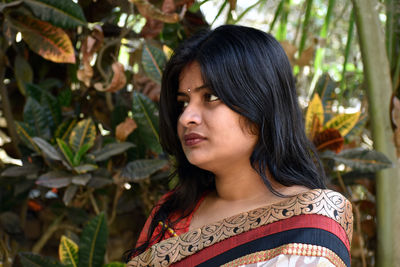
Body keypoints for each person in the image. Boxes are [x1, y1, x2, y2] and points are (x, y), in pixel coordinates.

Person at [126, 25, 353, 267]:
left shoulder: (310, 222)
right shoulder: (171, 215)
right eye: (183, 103)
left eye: (210, 97)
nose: (186, 117)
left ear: (260, 102)